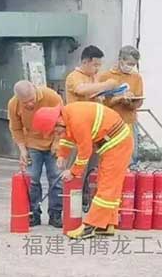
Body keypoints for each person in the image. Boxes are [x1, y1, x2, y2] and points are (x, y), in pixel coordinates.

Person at [32, 102, 134, 239]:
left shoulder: (77, 120)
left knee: (107, 187)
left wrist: (73, 172)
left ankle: (90, 227)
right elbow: (68, 137)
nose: (57, 135)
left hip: (118, 145)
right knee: (105, 184)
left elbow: (85, 151)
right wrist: (62, 155)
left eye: (56, 131)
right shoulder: (68, 116)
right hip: (112, 144)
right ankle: (106, 224)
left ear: (58, 121)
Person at [7, 80, 64, 228]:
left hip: (52, 141)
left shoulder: (51, 96)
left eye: (31, 100)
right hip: (31, 143)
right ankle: (33, 214)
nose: (30, 104)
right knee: (32, 180)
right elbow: (16, 128)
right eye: (25, 102)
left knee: (56, 178)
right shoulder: (13, 104)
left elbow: (62, 121)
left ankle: (56, 214)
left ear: (34, 90)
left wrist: (57, 142)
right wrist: (22, 149)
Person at [98, 46, 144, 165]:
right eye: (129, 63)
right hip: (110, 124)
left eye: (133, 64)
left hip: (129, 121)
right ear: (120, 60)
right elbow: (101, 103)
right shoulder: (105, 77)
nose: (130, 67)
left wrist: (130, 101)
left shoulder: (136, 77)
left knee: (130, 156)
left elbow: (139, 102)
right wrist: (118, 99)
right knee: (110, 155)